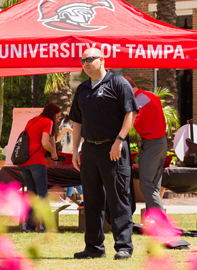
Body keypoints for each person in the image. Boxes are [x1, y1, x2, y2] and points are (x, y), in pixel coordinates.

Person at [70, 48, 138, 260]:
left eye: (90, 59)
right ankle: (94, 247)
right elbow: (77, 122)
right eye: (83, 61)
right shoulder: (82, 89)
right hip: (89, 149)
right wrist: (74, 150)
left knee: (118, 199)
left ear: (102, 60)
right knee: (91, 199)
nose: (85, 63)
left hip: (114, 148)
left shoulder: (118, 83)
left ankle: (124, 246)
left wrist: (119, 140)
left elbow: (130, 112)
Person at [124, 76, 167, 211]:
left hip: (152, 144)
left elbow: (130, 121)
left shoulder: (139, 100)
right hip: (161, 142)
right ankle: (152, 219)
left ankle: (161, 220)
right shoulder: (150, 95)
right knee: (153, 184)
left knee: (146, 185)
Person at [17, 103, 61, 231]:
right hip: (36, 161)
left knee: (31, 194)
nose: (58, 120)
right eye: (57, 117)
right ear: (52, 115)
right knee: (42, 194)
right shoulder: (47, 121)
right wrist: (53, 152)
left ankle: (29, 227)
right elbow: (44, 142)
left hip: (23, 161)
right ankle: (48, 226)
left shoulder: (33, 120)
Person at [55, 108, 83, 205]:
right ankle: (80, 197)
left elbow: (81, 140)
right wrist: (63, 132)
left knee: (73, 174)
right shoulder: (64, 122)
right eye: (67, 110)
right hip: (66, 152)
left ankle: (68, 199)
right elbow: (58, 139)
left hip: (76, 152)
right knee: (70, 174)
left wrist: (71, 131)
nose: (69, 112)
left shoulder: (80, 122)